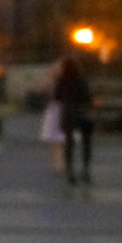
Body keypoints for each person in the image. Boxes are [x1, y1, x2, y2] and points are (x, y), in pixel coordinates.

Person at [53, 55, 96, 184]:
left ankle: (70, 171)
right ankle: (86, 170)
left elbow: (57, 97)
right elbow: (88, 96)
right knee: (86, 143)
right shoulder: (81, 80)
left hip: (68, 114)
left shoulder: (61, 81)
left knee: (69, 144)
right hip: (82, 113)